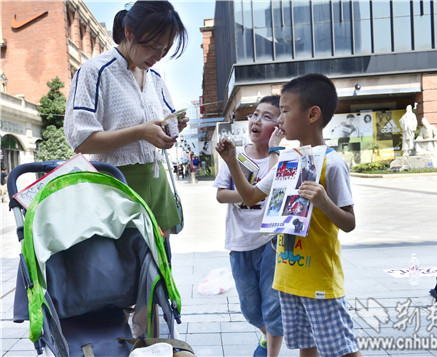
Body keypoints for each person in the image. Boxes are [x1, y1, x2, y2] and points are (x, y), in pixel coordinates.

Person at [216, 74, 361, 357]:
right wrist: (232, 162)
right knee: (305, 348)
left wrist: (323, 201)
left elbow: (349, 222)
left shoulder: (332, 164)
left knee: (342, 350)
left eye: (284, 110)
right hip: (287, 276)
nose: (279, 119)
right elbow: (251, 196)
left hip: (319, 280)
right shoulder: (287, 161)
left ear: (312, 114)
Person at [64, 1, 188, 238]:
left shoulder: (155, 79)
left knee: (161, 267)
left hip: (156, 180)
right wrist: (141, 132)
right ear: (129, 33)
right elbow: (81, 141)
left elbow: (161, 124)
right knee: (124, 269)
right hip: (116, 186)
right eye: (153, 47)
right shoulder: (95, 71)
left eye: (165, 50)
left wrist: (172, 127)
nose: (158, 57)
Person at [213, 95, 285, 357]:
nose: (257, 120)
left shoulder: (282, 158)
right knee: (250, 308)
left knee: (272, 304)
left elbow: (276, 187)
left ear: (280, 127)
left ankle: (271, 351)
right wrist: (249, 193)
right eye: (255, 114)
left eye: (267, 116)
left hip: (271, 242)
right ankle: (268, 335)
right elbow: (221, 194)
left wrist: (275, 151)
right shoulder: (237, 156)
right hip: (240, 241)